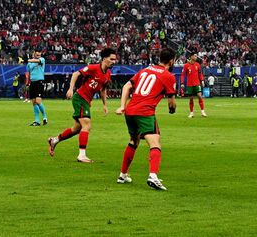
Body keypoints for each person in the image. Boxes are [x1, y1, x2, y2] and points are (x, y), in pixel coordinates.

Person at [115, 47, 177, 190]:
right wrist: (172, 109)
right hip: (145, 112)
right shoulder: (168, 76)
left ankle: (123, 175)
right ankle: (153, 176)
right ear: (172, 61)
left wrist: (122, 105)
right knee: (155, 143)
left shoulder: (144, 70)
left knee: (133, 141)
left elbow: (126, 86)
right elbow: (171, 102)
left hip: (130, 111)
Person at [49, 47, 117, 163]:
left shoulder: (108, 74)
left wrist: (105, 105)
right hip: (80, 98)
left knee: (76, 129)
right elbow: (76, 74)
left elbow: (103, 90)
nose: (114, 62)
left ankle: (54, 140)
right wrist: (71, 89)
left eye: (115, 59)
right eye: (112, 59)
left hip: (86, 101)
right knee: (87, 125)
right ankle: (81, 155)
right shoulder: (93, 68)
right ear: (104, 58)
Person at [25, 54, 48, 126]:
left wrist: (28, 60)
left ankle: (45, 117)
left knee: (38, 101)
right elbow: (28, 73)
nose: (38, 56)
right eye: (37, 54)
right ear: (34, 54)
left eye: (39, 55)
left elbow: (36, 60)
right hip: (32, 83)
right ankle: (37, 121)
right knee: (34, 102)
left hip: (39, 82)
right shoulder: (29, 64)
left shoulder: (42, 60)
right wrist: (27, 83)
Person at [182, 53, 207, 118]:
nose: (196, 57)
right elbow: (183, 75)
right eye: (195, 56)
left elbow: (200, 74)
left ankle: (202, 111)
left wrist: (202, 80)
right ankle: (191, 113)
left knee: (200, 96)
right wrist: (182, 83)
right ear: (191, 56)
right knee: (191, 98)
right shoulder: (186, 65)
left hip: (197, 83)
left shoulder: (197, 65)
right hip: (189, 84)